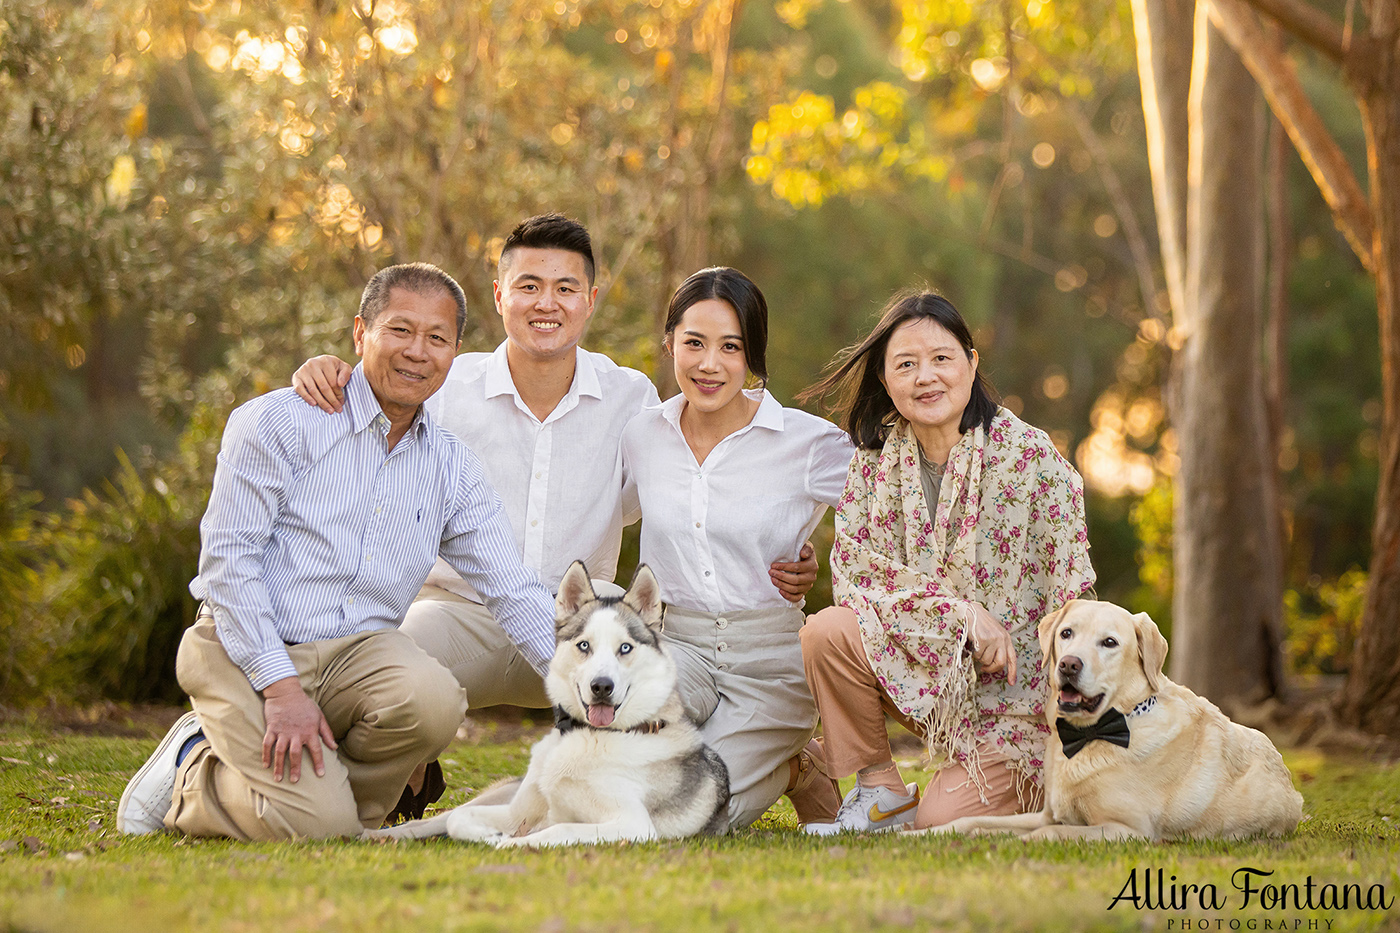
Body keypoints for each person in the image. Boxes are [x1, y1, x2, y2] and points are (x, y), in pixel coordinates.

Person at [291, 215, 817, 814]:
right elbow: (370, 399)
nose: (547, 302)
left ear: (590, 301)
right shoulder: (446, 385)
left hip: (582, 621)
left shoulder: (632, 400)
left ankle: (787, 759)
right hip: (464, 612)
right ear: (499, 295)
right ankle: (401, 780)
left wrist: (792, 546)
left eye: (565, 288)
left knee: (654, 731)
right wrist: (327, 369)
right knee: (383, 666)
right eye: (529, 285)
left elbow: (703, 486)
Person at [116, 263, 560, 841]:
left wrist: (583, 690)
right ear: (360, 333)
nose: (417, 353)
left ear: (455, 351)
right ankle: (192, 773)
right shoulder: (277, 423)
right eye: (399, 331)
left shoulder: (451, 466)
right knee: (322, 827)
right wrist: (279, 688)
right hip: (249, 648)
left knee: (433, 700)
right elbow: (228, 568)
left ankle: (314, 808)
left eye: (437, 338)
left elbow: (512, 588)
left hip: (357, 658)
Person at [797, 290, 1096, 836]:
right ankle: (880, 791)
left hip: (1020, 702)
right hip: (922, 672)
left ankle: (993, 779)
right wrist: (963, 618)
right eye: (905, 365)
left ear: (972, 362)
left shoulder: (1033, 459)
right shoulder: (871, 465)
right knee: (828, 631)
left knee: (939, 820)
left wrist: (1068, 713)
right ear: (887, 381)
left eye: (941, 358)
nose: (925, 377)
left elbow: (1072, 594)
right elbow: (858, 580)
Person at [621, 267, 855, 830]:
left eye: (732, 347)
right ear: (669, 343)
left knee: (688, 819)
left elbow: (890, 509)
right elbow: (602, 515)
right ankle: (787, 762)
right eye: (694, 343)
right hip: (676, 645)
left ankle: (792, 764)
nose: (709, 364)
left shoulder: (806, 443)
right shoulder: (641, 435)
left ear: (753, 356)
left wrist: (819, 554)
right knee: (618, 768)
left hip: (769, 663)